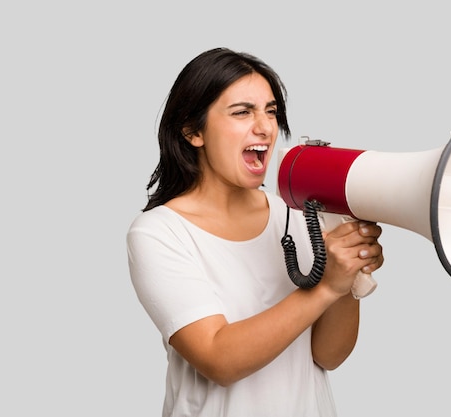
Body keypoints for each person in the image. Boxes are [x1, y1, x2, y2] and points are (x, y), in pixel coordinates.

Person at [126, 47, 384, 417]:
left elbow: (329, 355)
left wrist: (346, 283)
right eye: (242, 112)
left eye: (271, 111)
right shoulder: (158, 233)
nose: (265, 127)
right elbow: (218, 359)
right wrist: (326, 285)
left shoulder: (296, 213)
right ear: (192, 130)